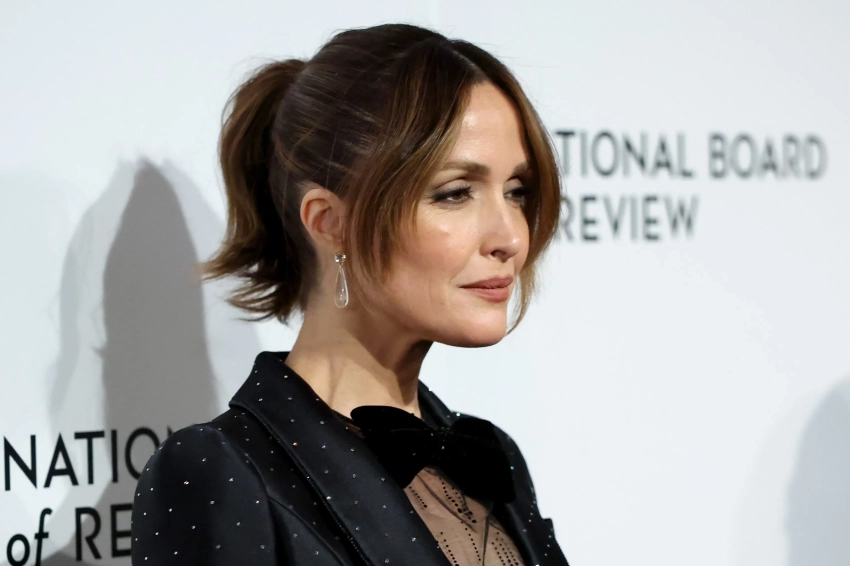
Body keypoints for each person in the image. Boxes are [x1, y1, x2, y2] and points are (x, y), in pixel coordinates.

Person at [130, 22, 569, 566]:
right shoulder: (224, 471)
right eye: (456, 193)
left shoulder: (490, 458)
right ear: (330, 222)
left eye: (516, 192)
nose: (511, 238)